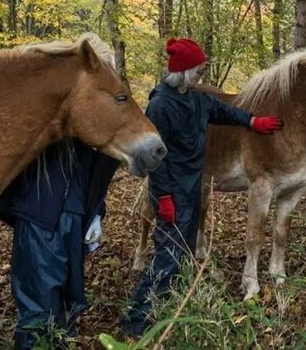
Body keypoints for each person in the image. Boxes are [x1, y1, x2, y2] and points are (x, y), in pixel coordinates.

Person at [120, 37, 284, 336]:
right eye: (198, 69)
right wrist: (165, 197)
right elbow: (157, 158)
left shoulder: (195, 97)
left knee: (182, 250)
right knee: (168, 253)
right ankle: (137, 320)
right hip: (172, 189)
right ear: (182, 72)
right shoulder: (160, 106)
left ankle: (167, 305)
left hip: (192, 185)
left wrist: (253, 121)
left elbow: (225, 112)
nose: (202, 74)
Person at [0, 139, 119, 349]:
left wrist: (96, 213)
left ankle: (59, 343)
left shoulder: (85, 131)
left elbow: (90, 171)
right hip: (40, 217)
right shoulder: (47, 126)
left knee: (69, 300)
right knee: (39, 305)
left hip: (74, 216)